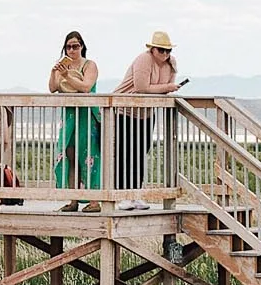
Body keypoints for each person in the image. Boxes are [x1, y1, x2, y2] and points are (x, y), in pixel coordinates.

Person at [113, 29, 181, 193]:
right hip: (125, 111)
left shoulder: (170, 64)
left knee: (141, 151)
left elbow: (164, 89)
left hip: (146, 113)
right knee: (125, 151)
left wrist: (168, 86)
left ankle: (136, 191)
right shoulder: (144, 59)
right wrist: (167, 87)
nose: (165, 54)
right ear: (152, 49)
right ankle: (122, 192)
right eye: (161, 50)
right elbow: (141, 87)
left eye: (168, 50)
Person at [50, 30, 101, 192]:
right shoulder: (63, 66)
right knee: (70, 156)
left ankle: (93, 200)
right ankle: (73, 197)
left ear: (82, 46)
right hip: (69, 116)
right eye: (68, 47)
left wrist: (68, 76)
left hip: (87, 115)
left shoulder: (89, 65)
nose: (72, 50)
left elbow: (86, 87)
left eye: (75, 46)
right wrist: (55, 72)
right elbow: (53, 88)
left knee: (89, 156)